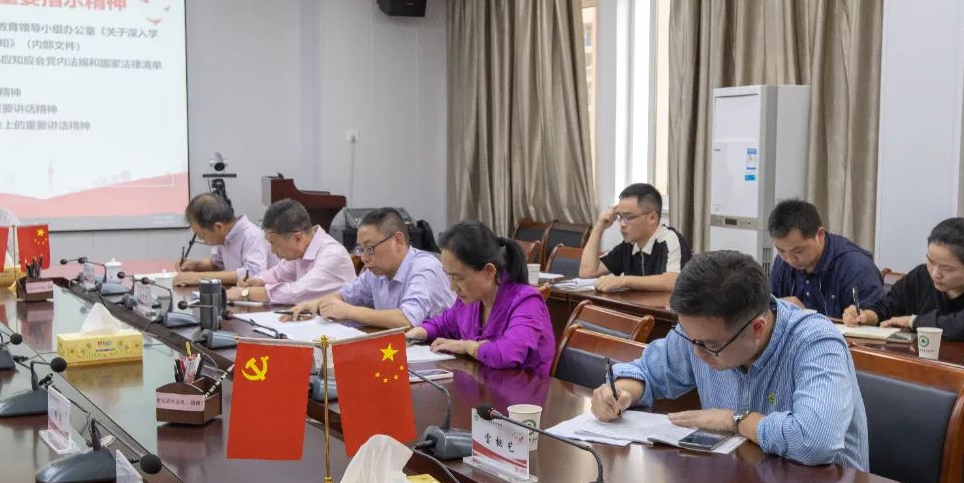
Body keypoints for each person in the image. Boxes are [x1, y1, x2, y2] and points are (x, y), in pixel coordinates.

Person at [590, 250, 869, 470]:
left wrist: (734, 420)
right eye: (690, 338)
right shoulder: (700, 333)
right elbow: (648, 372)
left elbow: (814, 441)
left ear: (757, 328)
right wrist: (621, 392)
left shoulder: (816, 342)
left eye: (710, 346)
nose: (696, 352)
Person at [406, 220, 555, 376]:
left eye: (458, 277)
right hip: (482, 384)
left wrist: (467, 346)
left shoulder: (527, 302)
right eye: (449, 276)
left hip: (521, 389)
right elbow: (442, 324)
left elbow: (507, 354)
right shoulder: (469, 301)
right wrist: (417, 333)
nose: (452, 287)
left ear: (489, 271)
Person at [288, 208, 453, 327]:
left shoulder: (424, 268)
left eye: (369, 248)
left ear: (398, 240)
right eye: (361, 249)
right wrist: (316, 304)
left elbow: (408, 320)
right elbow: (347, 295)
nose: (364, 258)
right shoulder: (376, 272)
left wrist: (349, 312)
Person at [843, 217, 964, 341]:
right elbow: (889, 306)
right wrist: (866, 316)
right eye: (931, 261)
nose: (935, 273)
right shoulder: (922, 275)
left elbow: (962, 325)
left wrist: (912, 322)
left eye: (947, 268)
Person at [767, 199, 884, 317]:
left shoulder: (856, 267)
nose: (789, 259)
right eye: (781, 250)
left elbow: (872, 319)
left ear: (820, 235)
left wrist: (859, 317)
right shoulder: (782, 262)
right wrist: (778, 305)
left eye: (798, 251)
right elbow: (766, 307)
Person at [237, 199, 355, 305]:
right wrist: (259, 281)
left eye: (274, 243)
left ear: (298, 238)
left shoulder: (332, 255)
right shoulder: (300, 251)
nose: (272, 251)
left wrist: (246, 293)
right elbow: (277, 274)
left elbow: (297, 292)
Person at [579, 183, 691, 293]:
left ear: (652, 218)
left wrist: (623, 281)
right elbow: (587, 273)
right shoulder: (629, 245)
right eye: (620, 216)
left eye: (628, 217)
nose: (622, 224)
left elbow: (673, 281)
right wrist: (599, 228)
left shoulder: (670, 239)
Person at [174, 193, 278, 287]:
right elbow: (215, 263)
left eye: (202, 235)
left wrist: (200, 277)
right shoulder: (223, 236)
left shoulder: (252, 236)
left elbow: (253, 273)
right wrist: (196, 265)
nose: (202, 240)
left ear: (218, 227)